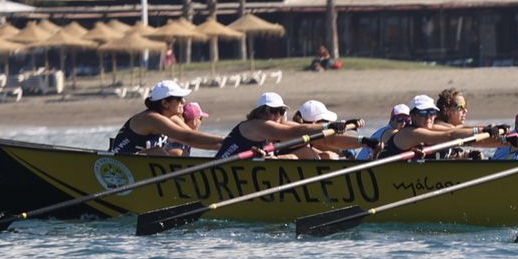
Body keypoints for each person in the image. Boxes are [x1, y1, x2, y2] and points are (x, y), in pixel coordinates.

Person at [213, 91, 347, 160]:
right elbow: (293, 132)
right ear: (261, 112)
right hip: (225, 167)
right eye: (273, 111)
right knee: (293, 157)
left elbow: (301, 131)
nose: (278, 116)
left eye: (281, 111)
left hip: (248, 166)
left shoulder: (277, 123)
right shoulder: (257, 125)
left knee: (307, 153)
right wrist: (327, 126)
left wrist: (362, 141)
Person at [110, 80, 222, 157]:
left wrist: (228, 147)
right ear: (164, 103)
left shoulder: (172, 118)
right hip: (119, 165)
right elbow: (188, 137)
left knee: (160, 152)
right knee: (156, 151)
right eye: (179, 98)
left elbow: (193, 141)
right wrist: (223, 139)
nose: (183, 101)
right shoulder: (151, 118)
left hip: (141, 165)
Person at [377, 94, 502, 158]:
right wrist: (483, 130)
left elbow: (455, 129)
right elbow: (449, 135)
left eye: (432, 112)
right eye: (423, 113)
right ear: (413, 115)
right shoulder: (411, 133)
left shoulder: (426, 126)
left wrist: (490, 128)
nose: (429, 117)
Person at [293, 99, 365, 158]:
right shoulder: (294, 136)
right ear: (315, 123)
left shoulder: (301, 130)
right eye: (326, 122)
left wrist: (343, 151)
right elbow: (329, 142)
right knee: (329, 156)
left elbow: (319, 145)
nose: (329, 123)